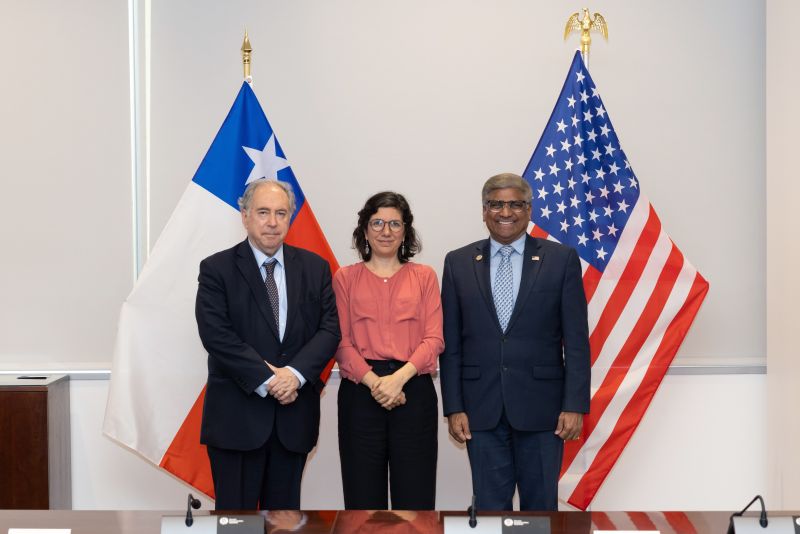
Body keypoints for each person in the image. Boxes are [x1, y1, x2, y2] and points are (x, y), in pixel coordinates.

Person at [439, 172, 590, 511]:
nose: (505, 212)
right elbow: (451, 344)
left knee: (540, 509)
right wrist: (454, 406)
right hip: (481, 409)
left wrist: (575, 404)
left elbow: (577, 340)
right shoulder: (458, 262)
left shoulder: (561, 259)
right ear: (483, 211)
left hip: (544, 410)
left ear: (528, 209)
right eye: (496, 204)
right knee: (491, 508)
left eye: (515, 204)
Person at [195, 178, 340, 510]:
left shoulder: (315, 268)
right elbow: (216, 335)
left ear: (291, 218)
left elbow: (329, 330)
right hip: (236, 420)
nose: (273, 222)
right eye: (263, 212)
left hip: (294, 419)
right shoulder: (217, 269)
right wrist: (270, 379)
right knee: (237, 524)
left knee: (285, 523)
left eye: (281, 213)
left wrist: (295, 375)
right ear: (244, 216)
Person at [333, 191, 444, 510]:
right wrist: (377, 383)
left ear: (406, 231)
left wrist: (398, 380)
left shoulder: (424, 277)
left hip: (414, 391)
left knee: (416, 497)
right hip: (361, 394)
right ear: (365, 230)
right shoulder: (345, 278)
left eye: (395, 223)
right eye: (377, 222)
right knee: (362, 498)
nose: (386, 231)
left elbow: (434, 338)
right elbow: (341, 342)